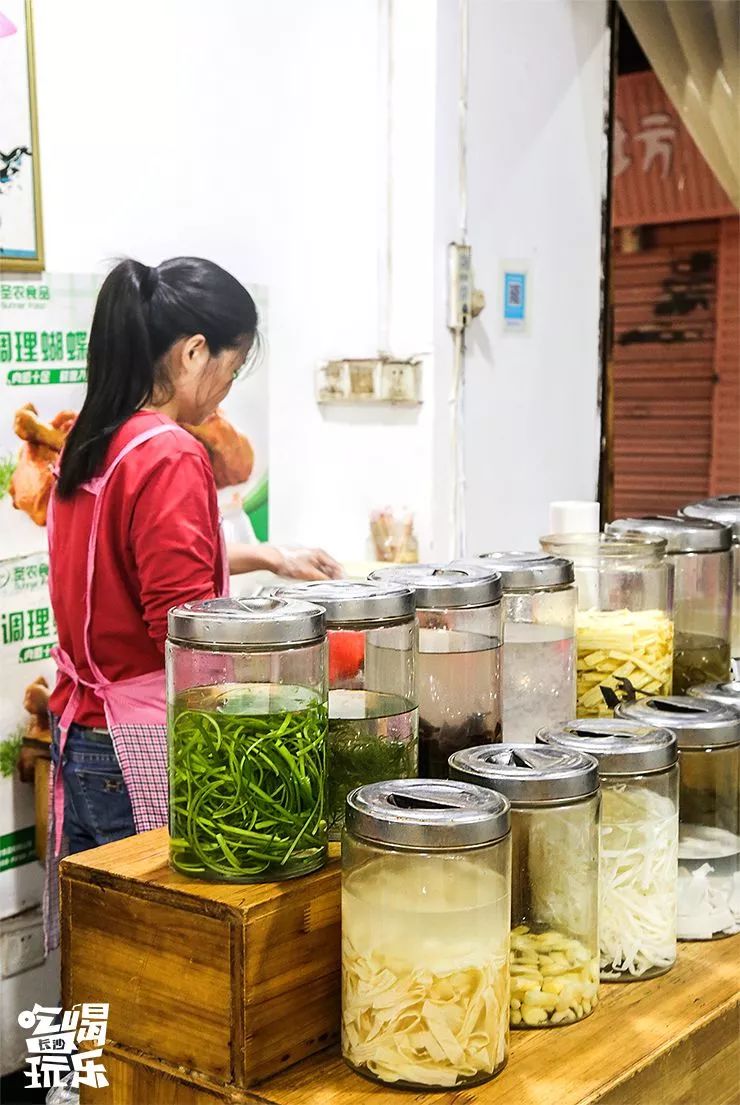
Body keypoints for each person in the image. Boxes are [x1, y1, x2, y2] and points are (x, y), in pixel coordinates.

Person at [46, 257, 339, 890]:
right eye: (230, 370)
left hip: (82, 728)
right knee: (159, 948)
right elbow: (184, 629)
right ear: (194, 352)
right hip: (138, 741)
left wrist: (267, 556)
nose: (226, 390)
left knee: (104, 943)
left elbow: (127, 564)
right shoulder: (172, 452)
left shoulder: (97, 438)